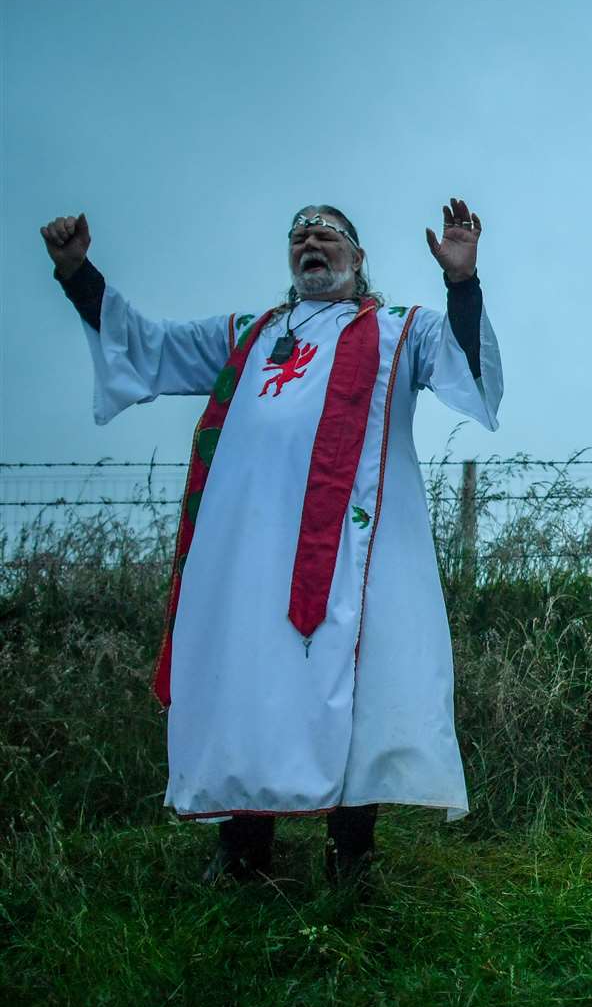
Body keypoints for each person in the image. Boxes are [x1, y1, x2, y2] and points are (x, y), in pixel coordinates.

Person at [39, 199, 502, 885]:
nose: (312, 244)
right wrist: (78, 273)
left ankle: (352, 854)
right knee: (246, 683)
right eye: (301, 237)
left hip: (355, 551)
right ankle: (243, 852)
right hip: (247, 553)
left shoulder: (401, 332)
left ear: (358, 257)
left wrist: (462, 283)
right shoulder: (248, 336)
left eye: (328, 235)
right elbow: (149, 347)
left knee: (361, 684)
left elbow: (469, 373)